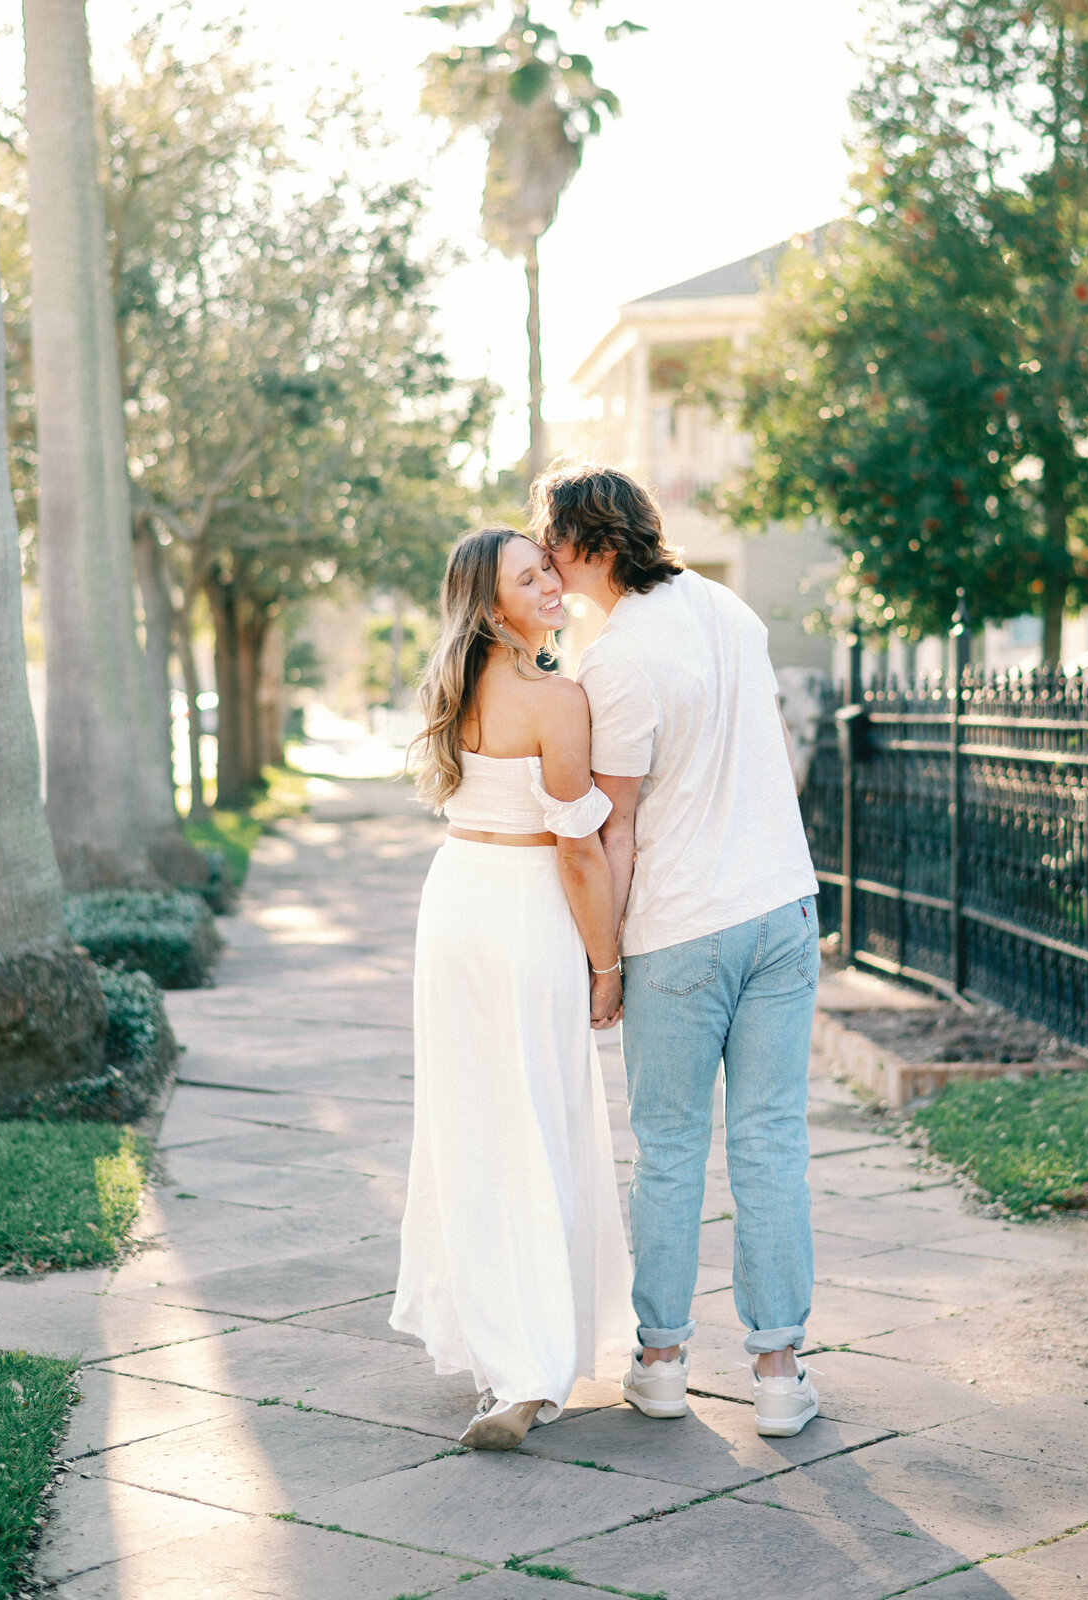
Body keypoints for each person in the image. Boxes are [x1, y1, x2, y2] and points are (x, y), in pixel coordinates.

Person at [531, 466, 822, 1439]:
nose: (545, 555)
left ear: (594, 544)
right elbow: (775, 755)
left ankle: (660, 1364)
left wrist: (602, 963)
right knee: (773, 1141)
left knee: (669, 1150)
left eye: (554, 539)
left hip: (683, 928)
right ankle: (779, 1375)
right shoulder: (731, 610)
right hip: (783, 906)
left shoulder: (617, 660)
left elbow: (616, 830)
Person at [390, 524, 633, 1451]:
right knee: (538, 1118)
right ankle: (530, 1367)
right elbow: (577, 849)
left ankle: (502, 1357)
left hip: (455, 903)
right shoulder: (557, 699)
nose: (553, 586)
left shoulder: (450, 689)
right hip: (526, 912)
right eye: (531, 579)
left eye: (549, 571)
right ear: (492, 605)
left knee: (472, 1126)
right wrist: (606, 965)